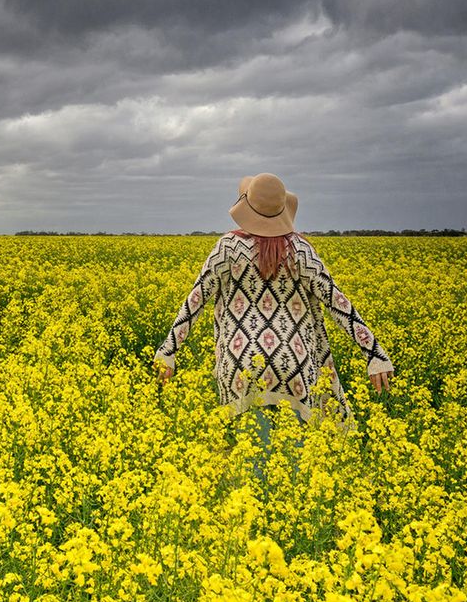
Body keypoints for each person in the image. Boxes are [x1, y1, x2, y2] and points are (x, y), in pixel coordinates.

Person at [153, 173, 395, 473]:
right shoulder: (301, 250)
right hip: (293, 362)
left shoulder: (228, 247)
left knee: (251, 455)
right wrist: (375, 355)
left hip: (240, 362)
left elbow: (196, 300)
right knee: (293, 460)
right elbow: (337, 302)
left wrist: (168, 352)